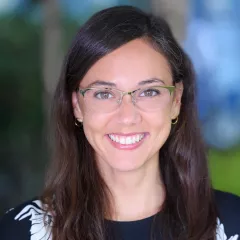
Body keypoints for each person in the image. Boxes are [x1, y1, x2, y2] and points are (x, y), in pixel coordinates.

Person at [0, 5, 239, 240]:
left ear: (176, 101)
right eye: (104, 94)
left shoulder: (232, 223)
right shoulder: (19, 231)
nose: (127, 117)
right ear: (76, 106)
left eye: (149, 92)